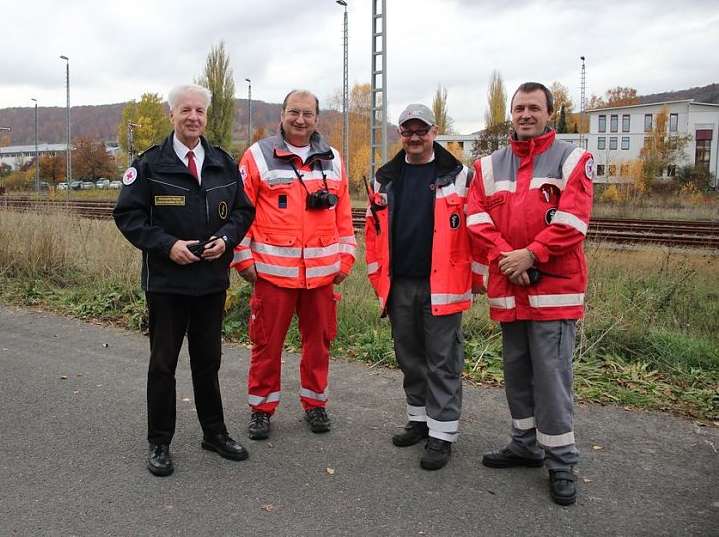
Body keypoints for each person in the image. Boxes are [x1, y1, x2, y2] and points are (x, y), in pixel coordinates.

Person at [113, 83, 255, 477]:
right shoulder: (149, 165)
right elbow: (128, 216)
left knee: (208, 362)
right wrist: (167, 245)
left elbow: (243, 212)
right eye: (186, 110)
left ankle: (214, 433)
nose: (193, 117)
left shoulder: (223, 163)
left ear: (206, 116)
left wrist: (226, 240)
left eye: (200, 111)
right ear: (171, 115)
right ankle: (159, 442)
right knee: (163, 364)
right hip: (167, 283)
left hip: (211, 281)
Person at [466, 82, 594, 505]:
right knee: (517, 374)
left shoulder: (573, 160)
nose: (525, 114)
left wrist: (531, 255)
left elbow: (573, 221)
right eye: (519, 107)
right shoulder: (488, 166)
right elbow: (476, 218)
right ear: (512, 113)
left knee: (552, 378)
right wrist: (509, 258)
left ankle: (562, 462)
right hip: (510, 287)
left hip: (552, 292)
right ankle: (524, 445)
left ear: (549, 114)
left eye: (534, 108)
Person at [364, 103, 485, 471]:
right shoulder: (385, 178)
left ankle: (442, 434)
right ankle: (418, 420)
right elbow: (372, 231)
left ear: (434, 131)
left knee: (442, 361)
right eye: (408, 131)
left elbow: (478, 230)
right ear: (400, 135)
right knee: (410, 357)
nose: (414, 137)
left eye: (421, 130)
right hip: (400, 284)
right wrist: (378, 279)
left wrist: (476, 279)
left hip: (443, 285)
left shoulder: (460, 176)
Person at [233, 89, 357, 440]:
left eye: (307, 114)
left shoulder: (333, 159)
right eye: (294, 112)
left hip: (321, 275)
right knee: (266, 345)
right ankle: (261, 410)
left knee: (319, 344)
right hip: (272, 274)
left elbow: (344, 215)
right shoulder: (257, 156)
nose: (300, 120)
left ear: (317, 118)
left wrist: (346, 258)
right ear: (282, 114)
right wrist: (242, 256)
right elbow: (240, 211)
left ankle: (315, 404)